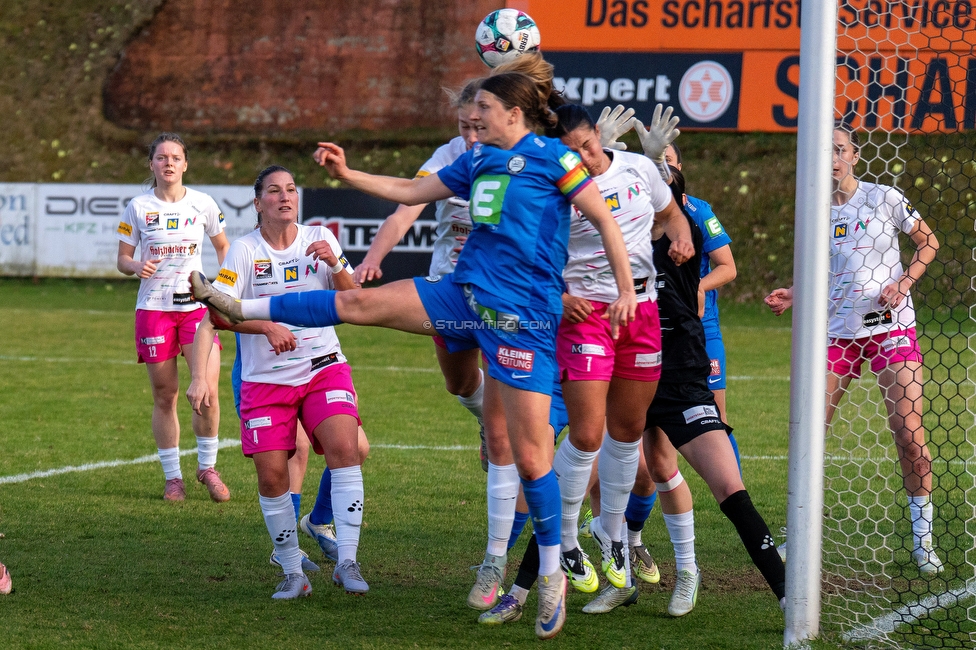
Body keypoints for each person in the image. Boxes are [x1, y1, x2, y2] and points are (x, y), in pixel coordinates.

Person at [189, 61, 639, 640]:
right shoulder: (476, 159)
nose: (472, 118)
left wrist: (625, 289)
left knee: (531, 460)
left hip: (521, 322)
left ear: (514, 113)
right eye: (470, 112)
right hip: (461, 295)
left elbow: (603, 219)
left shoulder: (555, 161)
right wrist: (350, 174)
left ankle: (549, 574)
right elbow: (410, 191)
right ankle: (237, 307)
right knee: (358, 303)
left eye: (483, 110)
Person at [764, 123, 943, 574]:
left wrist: (903, 283)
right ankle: (797, 535)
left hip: (890, 328)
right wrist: (792, 291)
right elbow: (818, 273)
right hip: (836, 334)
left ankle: (923, 542)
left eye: (840, 150)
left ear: (855, 155)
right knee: (809, 433)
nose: (834, 159)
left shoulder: (885, 198)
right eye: (826, 152)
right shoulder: (813, 210)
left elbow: (928, 243)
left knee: (909, 435)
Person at [186, 165, 369, 599]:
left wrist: (336, 265)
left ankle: (347, 560)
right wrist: (266, 326)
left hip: (324, 365)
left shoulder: (319, 239)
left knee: (348, 449)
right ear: (258, 202)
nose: (285, 197)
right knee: (272, 478)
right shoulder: (244, 251)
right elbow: (220, 312)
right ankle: (292, 572)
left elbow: (352, 299)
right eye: (274, 191)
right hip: (266, 378)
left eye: (290, 189)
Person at [545, 103, 693, 614]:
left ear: (599, 136)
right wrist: (559, 297)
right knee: (586, 433)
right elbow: (528, 256)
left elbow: (667, 214)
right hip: (586, 313)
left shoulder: (638, 168)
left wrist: (681, 232)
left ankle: (610, 535)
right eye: (572, 152)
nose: (585, 157)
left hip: (643, 312)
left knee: (627, 432)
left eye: (589, 145)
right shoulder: (552, 191)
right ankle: (564, 538)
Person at [641, 164, 787, 615]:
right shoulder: (609, 244)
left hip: (684, 382)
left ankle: (788, 597)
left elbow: (680, 224)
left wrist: (653, 177)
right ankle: (589, 573)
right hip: (630, 379)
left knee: (730, 487)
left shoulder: (684, 243)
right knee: (594, 479)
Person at [355, 80, 487, 469]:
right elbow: (404, 211)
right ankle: (487, 419)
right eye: (464, 125)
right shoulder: (447, 156)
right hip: (449, 287)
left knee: (508, 413)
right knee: (460, 384)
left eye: (479, 125)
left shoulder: (516, 158)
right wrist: (372, 258)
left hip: (501, 289)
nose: (471, 135)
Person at [116, 132, 231, 503]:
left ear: (185, 164)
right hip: (154, 311)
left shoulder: (203, 204)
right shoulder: (137, 206)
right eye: (161, 157)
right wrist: (136, 265)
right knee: (165, 395)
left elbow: (225, 249)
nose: (168, 163)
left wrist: (220, 288)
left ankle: (208, 468)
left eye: (175, 157)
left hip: (196, 311)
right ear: (151, 164)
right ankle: (173, 479)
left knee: (208, 392)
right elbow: (122, 259)